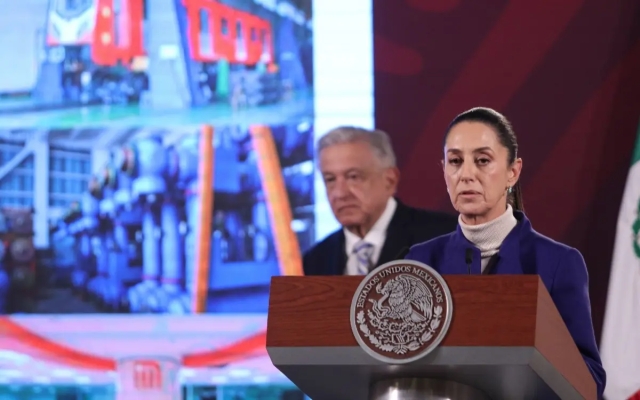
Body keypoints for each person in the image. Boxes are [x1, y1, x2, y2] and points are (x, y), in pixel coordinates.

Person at [405, 107, 606, 398]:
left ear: (513, 171)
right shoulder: (420, 261)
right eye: (456, 161)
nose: (466, 174)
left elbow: (590, 380)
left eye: (483, 160)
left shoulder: (558, 263)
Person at [304, 126, 458, 276]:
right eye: (330, 179)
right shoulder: (314, 261)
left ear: (390, 180)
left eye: (353, 177)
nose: (340, 193)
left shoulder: (447, 239)